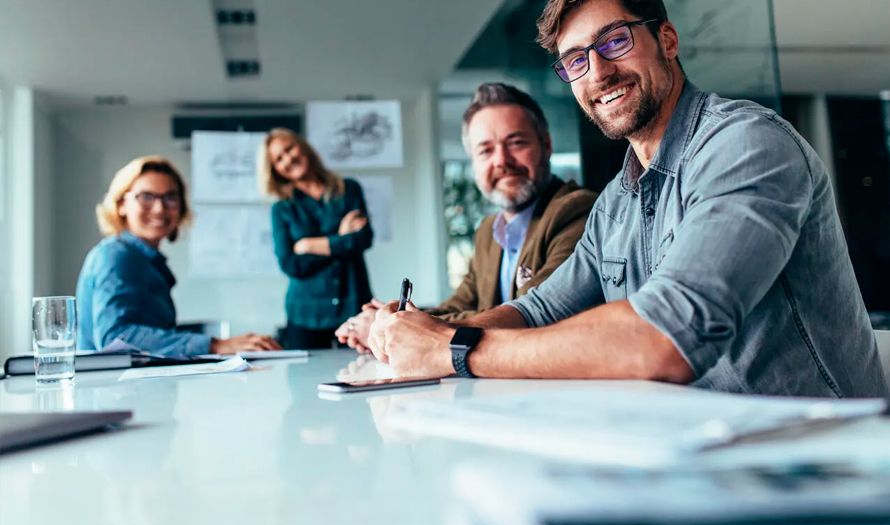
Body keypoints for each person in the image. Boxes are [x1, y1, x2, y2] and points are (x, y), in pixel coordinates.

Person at [369, 0, 888, 398]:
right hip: (703, 453)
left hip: (825, 471)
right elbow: (539, 309)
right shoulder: (617, 201)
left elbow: (666, 338)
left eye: (614, 41)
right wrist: (428, 332)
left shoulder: (745, 145)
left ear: (666, 38)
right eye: (575, 61)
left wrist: (453, 350)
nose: (597, 72)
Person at [335, 84, 597, 352]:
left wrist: (397, 327)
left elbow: (532, 312)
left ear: (547, 145)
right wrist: (395, 319)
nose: (501, 161)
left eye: (516, 143)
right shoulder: (489, 230)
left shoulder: (575, 210)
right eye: (485, 150)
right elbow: (461, 304)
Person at [77, 155, 280, 357]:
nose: (159, 208)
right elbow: (115, 337)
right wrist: (214, 345)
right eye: (146, 197)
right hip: (111, 387)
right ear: (121, 204)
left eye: (170, 197)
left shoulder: (146, 261)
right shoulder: (116, 256)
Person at [259, 127, 373, 349]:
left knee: (362, 375)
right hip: (305, 315)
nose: (288, 159)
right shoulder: (282, 208)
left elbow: (363, 239)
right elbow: (291, 264)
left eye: (289, 149)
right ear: (275, 170)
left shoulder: (348, 190)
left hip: (353, 306)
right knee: (304, 381)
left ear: (302, 146)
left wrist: (310, 245)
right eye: (278, 159)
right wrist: (340, 238)